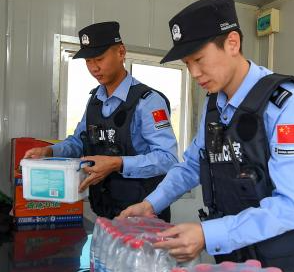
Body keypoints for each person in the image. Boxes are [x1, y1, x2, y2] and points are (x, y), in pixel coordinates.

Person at [118, 0, 294, 272]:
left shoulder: (285, 104)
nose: (194, 73)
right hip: (230, 256)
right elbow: (193, 164)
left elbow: (292, 205)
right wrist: (151, 204)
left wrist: (208, 234)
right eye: (187, 63)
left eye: (199, 60)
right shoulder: (214, 104)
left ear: (232, 43)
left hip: (276, 265)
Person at [24, 21, 179, 220]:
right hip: (105, 212)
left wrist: (117, 163)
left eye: (99, 59)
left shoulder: (148, 102)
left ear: (121, 52)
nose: (94, 68)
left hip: (143, 216)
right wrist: (50, 152)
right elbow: (80, 141)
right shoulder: (95, 101)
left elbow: (168, 159)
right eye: (88, 61)